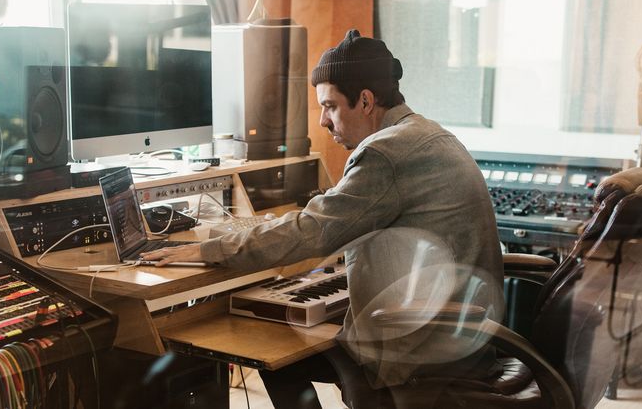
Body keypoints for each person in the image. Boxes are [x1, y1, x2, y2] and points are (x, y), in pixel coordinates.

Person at [141, 29, 503, 408]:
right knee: (295, 334)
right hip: (463, 339)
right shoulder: (428, 134)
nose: (323, 122)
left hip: (423, 352)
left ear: (365, 101)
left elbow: (313, 230)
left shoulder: (385, 152)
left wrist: (208, 248)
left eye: (329, 106)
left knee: (271, 346)